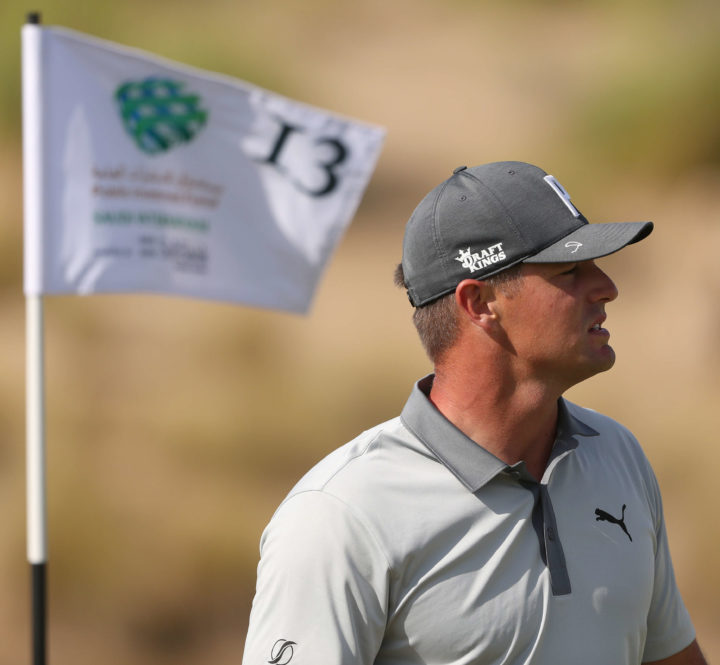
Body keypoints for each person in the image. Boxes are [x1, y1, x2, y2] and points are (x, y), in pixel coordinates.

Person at [242, 161, 706, 665]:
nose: (607, 286)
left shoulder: (619, 455)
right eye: (570, 270)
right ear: (480, 302)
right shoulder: (340, 515)